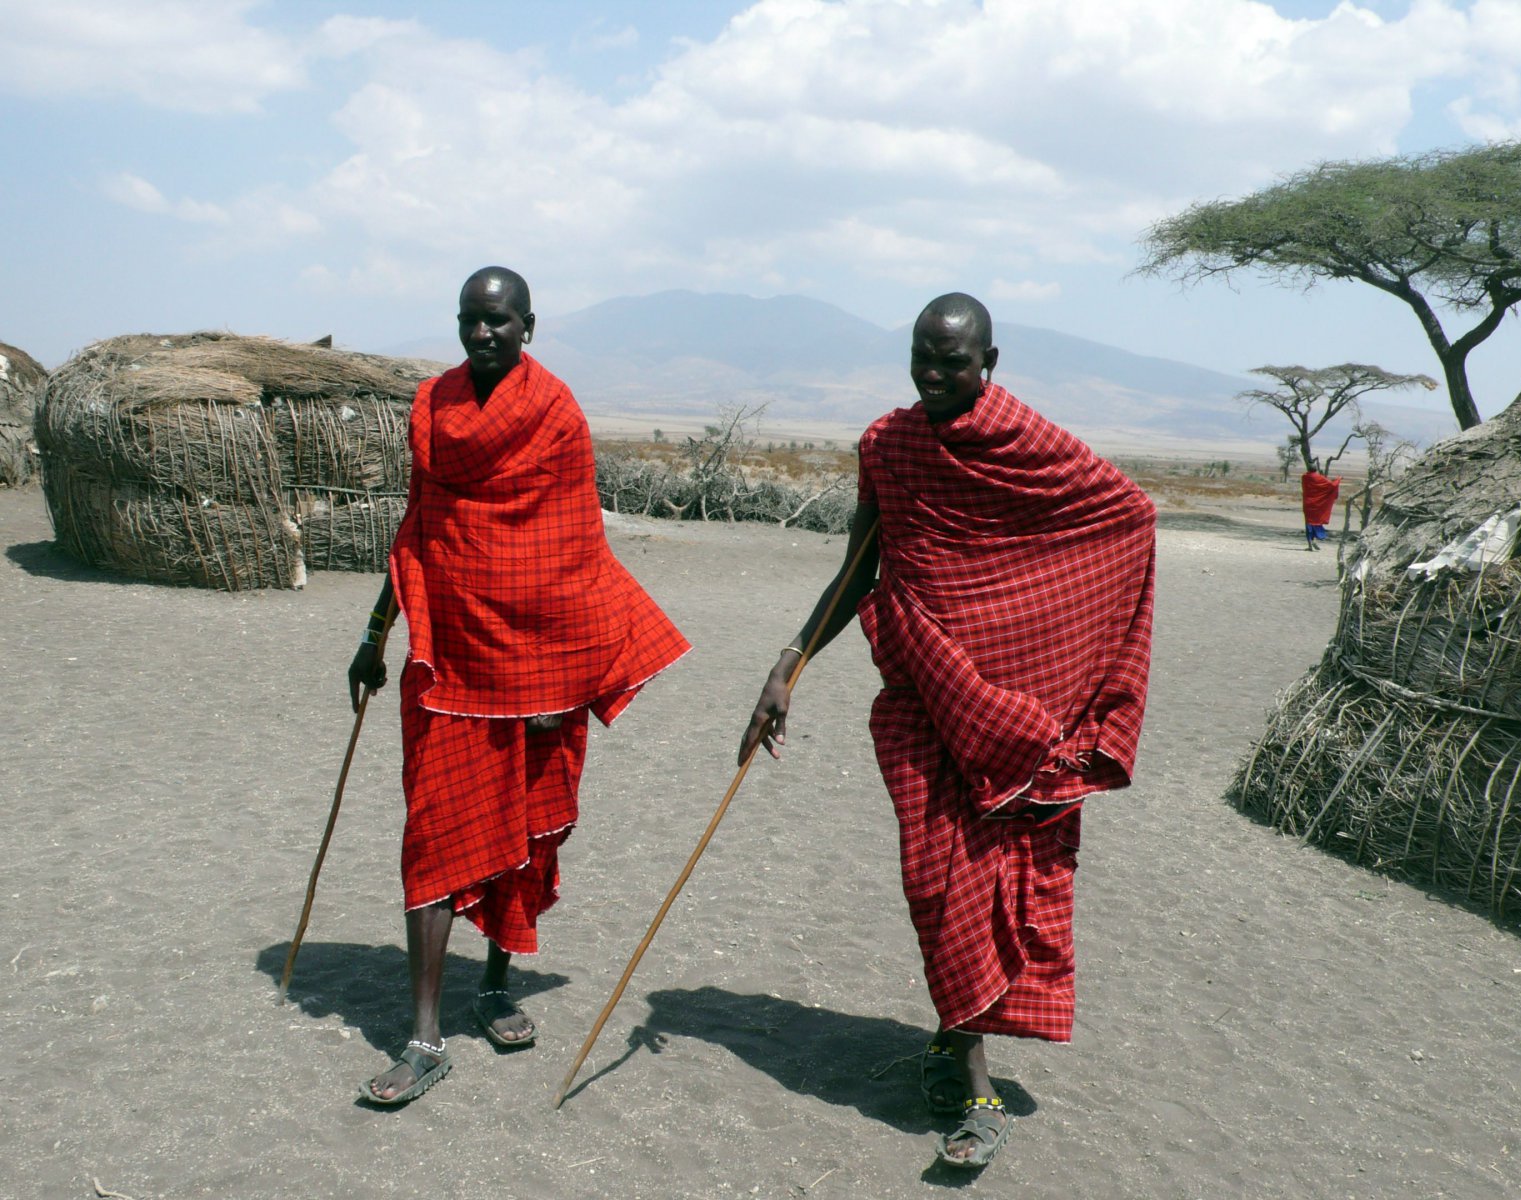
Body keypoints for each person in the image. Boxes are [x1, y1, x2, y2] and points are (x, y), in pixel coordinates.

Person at [738, 294, 1156, 1169]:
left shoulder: (1028, 444)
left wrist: (1058, 676)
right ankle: (955, 1039)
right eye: (922, 357)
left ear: (989, 361)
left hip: (1009, 720)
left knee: (973, 885)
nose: (934, 374)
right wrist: (788, 666)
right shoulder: (888, 448)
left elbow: (1126, 517)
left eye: (953, 362)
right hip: (926, 708)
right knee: (936, 886)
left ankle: (975, 1094)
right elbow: (859, 569)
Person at [349, 266, 690, 1106]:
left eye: (498, 321)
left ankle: (496, 986)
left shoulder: (555, 414)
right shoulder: (432, 408)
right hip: (451, 661)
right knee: (431, 839)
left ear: (527, 326)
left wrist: (564, 682)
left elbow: (572, 550)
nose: (482, 333)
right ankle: (425, 1037)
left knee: (522, 831)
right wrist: (374, 632)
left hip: (539, 667)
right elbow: (419, 530)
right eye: (470, 319)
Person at [1300, 462, 1342, 551]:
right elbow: (1332, 485)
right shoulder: (1320, 478)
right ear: (1316, 469)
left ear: (1308, 469)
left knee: (1308, 523)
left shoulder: (1304, 477)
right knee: (1316, 522)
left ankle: (1310, 543)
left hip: (1308, 504)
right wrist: (1338, 479)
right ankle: (1315, 540)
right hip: (1318, 505)